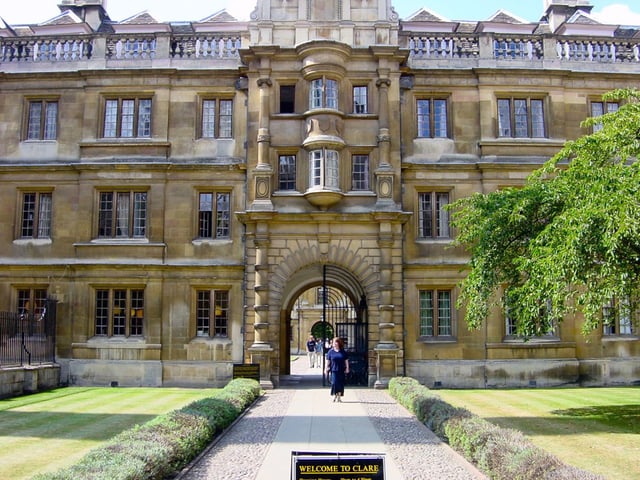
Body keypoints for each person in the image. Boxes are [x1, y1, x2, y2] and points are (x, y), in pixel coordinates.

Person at [325, 337, 350, 402]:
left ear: (339, 343)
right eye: (333, 342)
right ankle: (335, 394)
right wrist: (326, 368)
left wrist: (347, 368)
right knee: (334, 383)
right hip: (334, 370)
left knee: (340, 384)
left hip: (341, 370)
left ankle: (339, 396)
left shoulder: (343, 351)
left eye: (336, 342)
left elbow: (346, 360)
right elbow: (328, 361)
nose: (334, 344)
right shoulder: (330, 352)